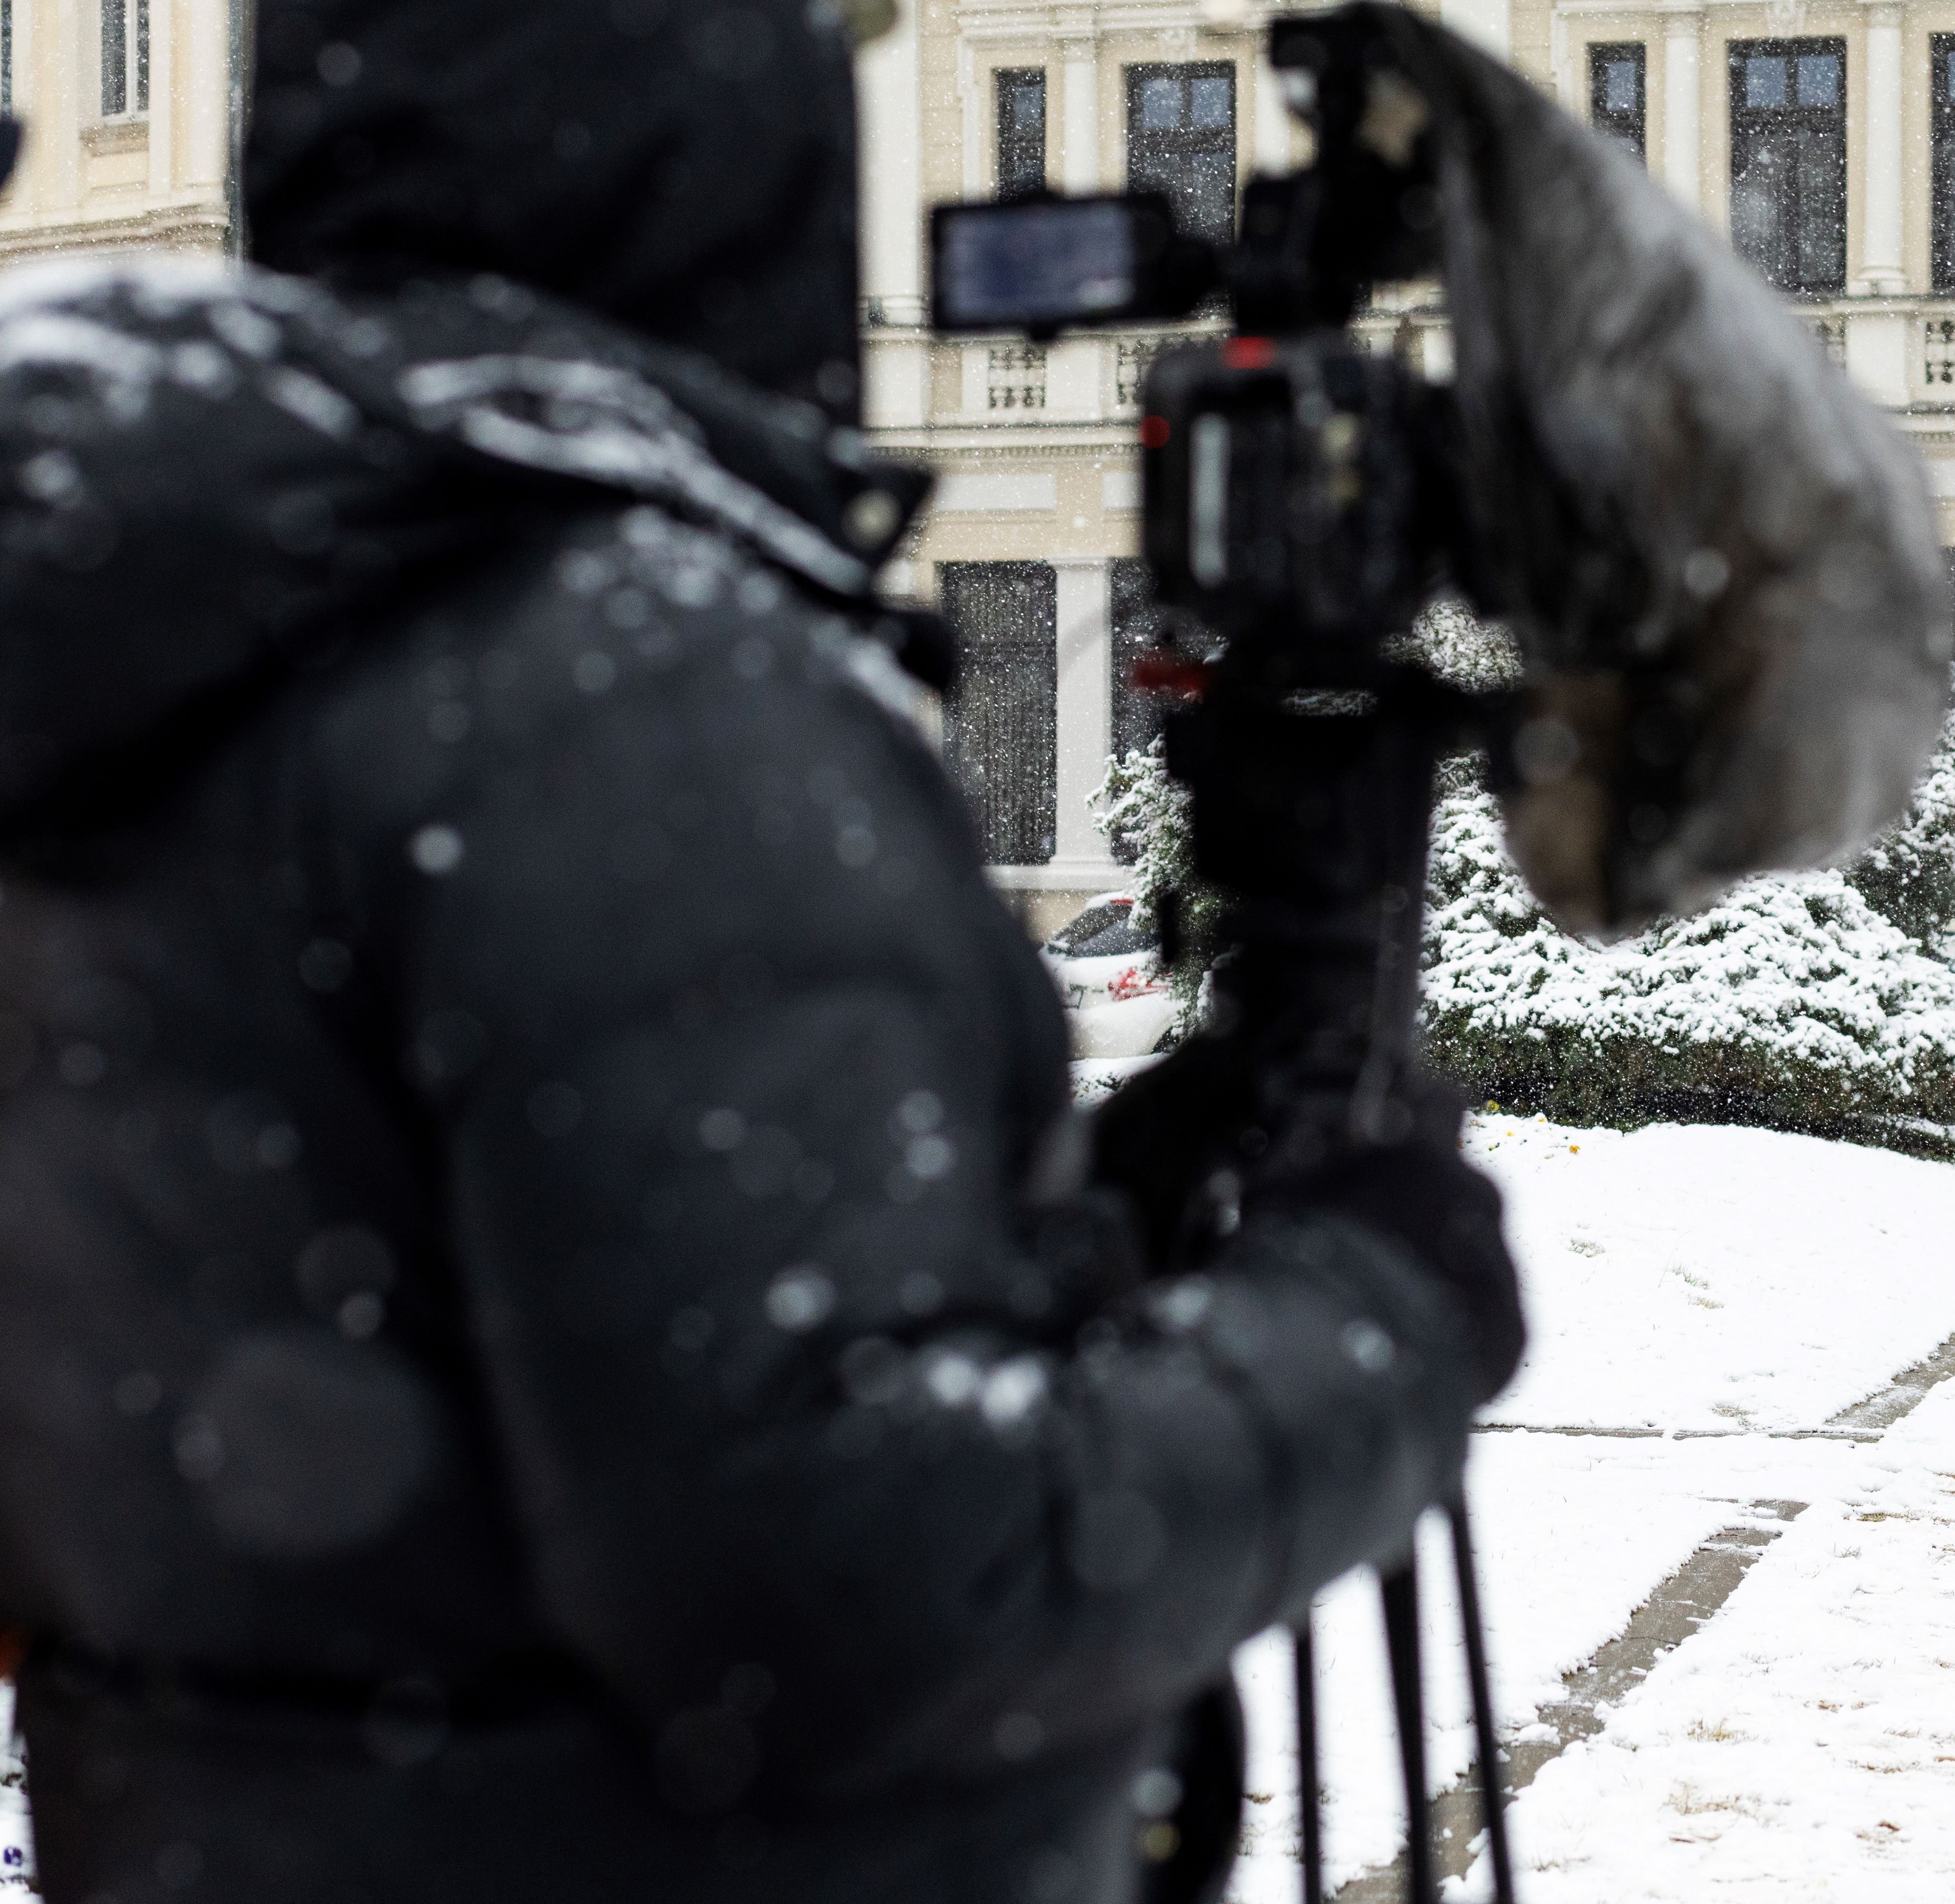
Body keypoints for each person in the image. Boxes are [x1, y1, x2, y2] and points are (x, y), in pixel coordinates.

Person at [0, 5, 1520, 1902]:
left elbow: (456, 1360)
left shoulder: (186, 640)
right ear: (731, 155)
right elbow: (854, 1586)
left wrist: (1088, 1230)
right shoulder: (618, 682)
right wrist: (1383, 1312)